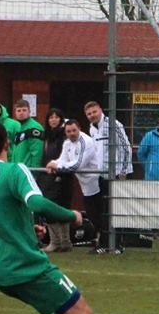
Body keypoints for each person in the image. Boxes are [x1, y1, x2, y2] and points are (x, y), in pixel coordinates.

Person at [0, 123, 104, 314]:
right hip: (23, 266)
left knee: (64, 308)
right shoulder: (14, 171)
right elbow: (37, 201)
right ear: (6, 142)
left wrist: (25, 227)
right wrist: (74, 216)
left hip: (2, 268)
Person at [84, 101, 132, 254]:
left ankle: (119, 244)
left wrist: (123, 171)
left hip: (117, 174)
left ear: (100, 110)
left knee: (116, 211)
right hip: (101, 175)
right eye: (89, 114)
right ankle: (104, 243)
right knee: (103, 211)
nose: (92, 115)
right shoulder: (92, 129)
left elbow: (125, 147)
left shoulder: (113, 125)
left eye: (94, 112)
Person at [47, 120, 100, 249]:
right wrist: (53, 163)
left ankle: (103, 241)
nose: (71, 134)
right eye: (68, 131)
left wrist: (57, 166)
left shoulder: (86, 141)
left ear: (79, 129)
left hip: (96, 181)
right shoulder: (67, 144)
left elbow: (78, 164)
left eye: (74, 130)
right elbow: (63, 160)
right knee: (92, 213)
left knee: (98, 213)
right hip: (84, 183)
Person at [39, 109, 72, 252]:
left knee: (62, 207)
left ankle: (65, 242)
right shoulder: (46, 137)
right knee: (49, 208)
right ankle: (55, 241)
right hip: (47, 176)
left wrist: (58, 169)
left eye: (56, 117)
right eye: (50, 117)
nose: (53, 120)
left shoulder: (64, 137)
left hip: (62, 176)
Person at [10, 99, 43, 169]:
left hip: (28, 170)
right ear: (15, 113)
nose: (21, 113)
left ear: (29, 111)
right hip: (17, 169)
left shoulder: (34, 127)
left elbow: (37, 152)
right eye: (19, 110)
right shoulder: (18, 127)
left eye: (24, 110)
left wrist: (34, 170)